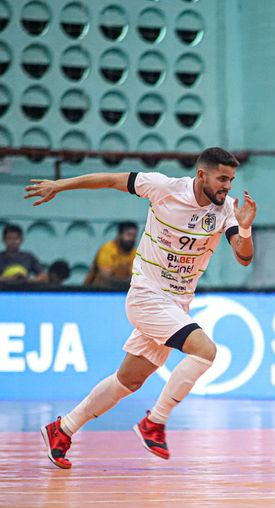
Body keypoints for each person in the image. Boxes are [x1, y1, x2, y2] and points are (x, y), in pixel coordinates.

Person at [24, 147, 256, 469]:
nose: (227, 186)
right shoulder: (163, 188)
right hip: (147, 296)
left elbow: (243, 257)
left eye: (231, 179)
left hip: (177, 305)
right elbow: (109, 179)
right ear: (201, 175)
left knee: (128, 381)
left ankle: (62, 430)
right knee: (205, 351)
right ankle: (154, 423)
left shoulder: (227, 209)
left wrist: (244, 228)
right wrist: (59, 186)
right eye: (222, 178)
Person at [85, 221, 138, 287]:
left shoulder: (135, 253)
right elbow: (106, 279)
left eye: (134, 236)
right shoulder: (107, 249)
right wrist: (128, 281)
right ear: (119, 235)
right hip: (97, 291)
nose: (132, 239)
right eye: (129, 235)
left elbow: (135, 278)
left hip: (122, 292)